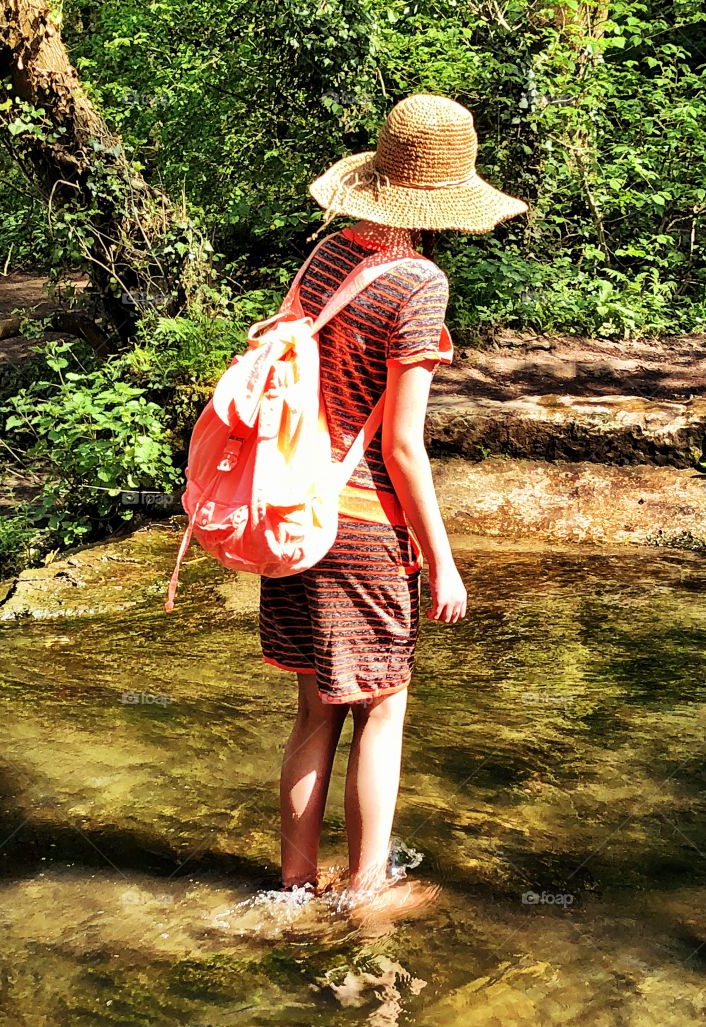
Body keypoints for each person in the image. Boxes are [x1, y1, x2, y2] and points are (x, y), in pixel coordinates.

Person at [260, 93, 528, 900]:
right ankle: (365, 892)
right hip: (366, 529)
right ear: (447, 196)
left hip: (296, 515)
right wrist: (443, 563)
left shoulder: (324, 259)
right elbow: (402, 446)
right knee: (383, 712)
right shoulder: (420, 284)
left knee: (314, 716)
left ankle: (295, 889)